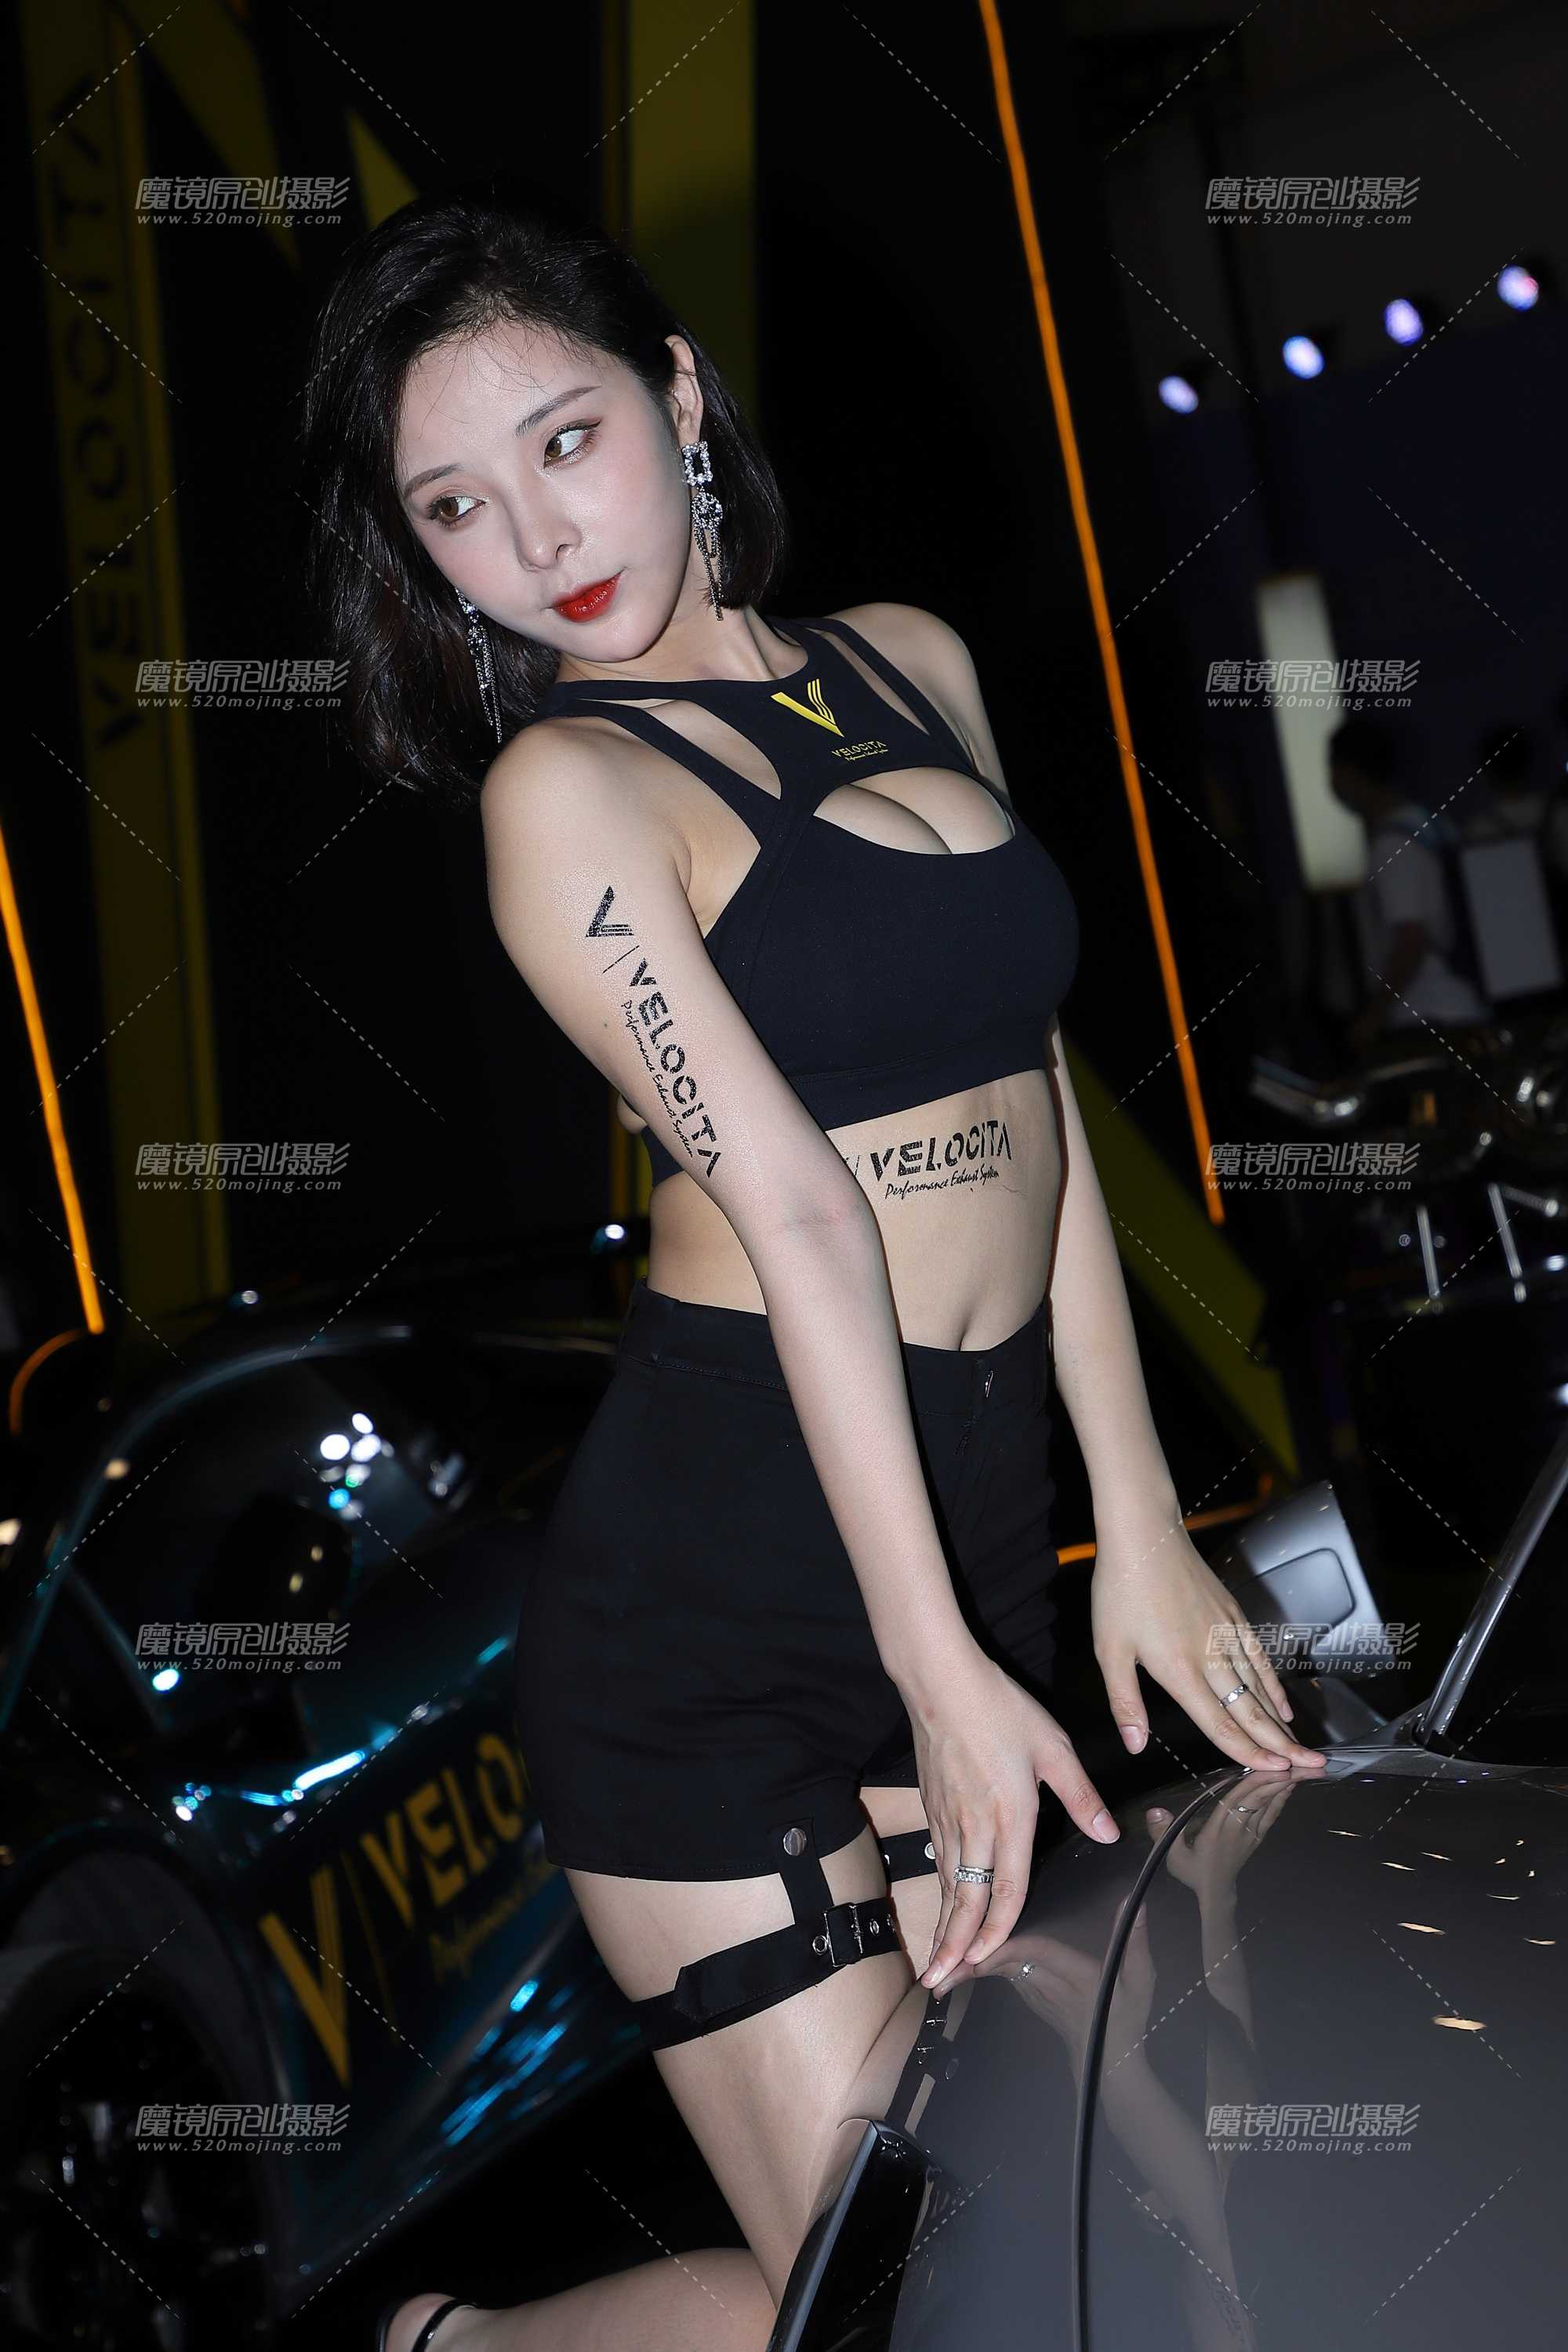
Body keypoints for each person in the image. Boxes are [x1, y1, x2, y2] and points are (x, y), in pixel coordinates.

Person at [300, 176, 1322, 2352]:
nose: (536, 537)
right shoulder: (571, 790)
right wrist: (934, 1664)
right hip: (719, 1617)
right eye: (456, 509)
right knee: (911, 2299)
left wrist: (1139, 1522)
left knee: (1084, 2229)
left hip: (962, 1541)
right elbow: (799, 1213)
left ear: (675, 399)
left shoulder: (911, 663)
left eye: (564, 440)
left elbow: (1035, 1115)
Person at [1326, 717, 1490, 1054]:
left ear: (1350, 773)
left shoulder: (1392, 844)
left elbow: (1410, 939)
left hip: (1428, 1014)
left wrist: (1373, 1017)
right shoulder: (1432, 826)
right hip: (1463, 1002)